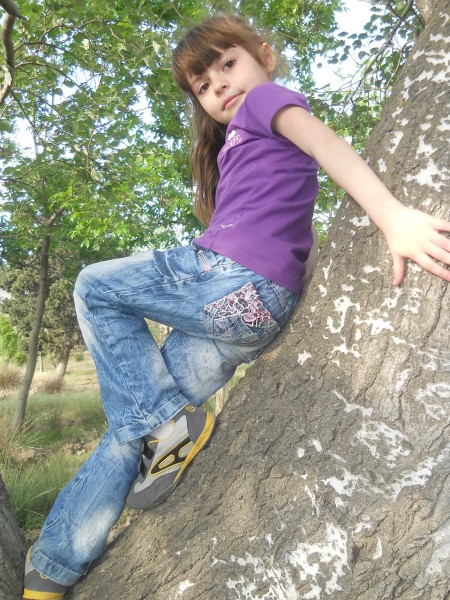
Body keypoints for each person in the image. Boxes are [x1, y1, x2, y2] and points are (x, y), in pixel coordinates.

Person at [22, 13, 450, 600]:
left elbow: (329, 147)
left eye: (228, 63)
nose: (220, 84)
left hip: (227, 282)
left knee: (94, 287)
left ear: (264, 57)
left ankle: (164, 432)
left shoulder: (266, 101)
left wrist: (391, 215)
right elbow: (296, 229)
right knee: (135, 427)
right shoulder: (239, 146)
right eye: (203, 85)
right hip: (249, 312)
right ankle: (52, 569)